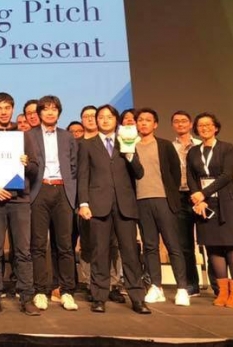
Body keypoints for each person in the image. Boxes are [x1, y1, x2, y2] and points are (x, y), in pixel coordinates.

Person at [77, 104, 150, 314]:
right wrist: (84, 203)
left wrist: (130, 154)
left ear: (116, 120)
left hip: (125, 204)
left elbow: (139, 173)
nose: (105, 120)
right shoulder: (87, 144)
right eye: (101, 117)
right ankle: (99, 296)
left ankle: (137, 298)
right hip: (98, 205)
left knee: (130, 253)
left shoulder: (126, 142)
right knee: (99, 252)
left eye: (109, 117)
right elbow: (83, 175)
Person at [0, 93, 39, 316]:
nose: (4, 112)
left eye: (7, 107)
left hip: (19, 200)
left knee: (23, 251)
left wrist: (27, 163)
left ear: (13, 109)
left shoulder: (23, 136)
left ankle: (27, 298)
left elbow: (35, 168)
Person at [26, 95, 79, 312]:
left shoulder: (67, 136)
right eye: (46, 109)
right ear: (39, 113)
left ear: (59, 112)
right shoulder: (29, 135)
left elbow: (74, 166)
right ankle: (40, 290)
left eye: (54, 109)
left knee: (65, 245)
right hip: (39, 190)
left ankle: (66, 291)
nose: (50, 112)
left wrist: (71, 191)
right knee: (38, 244)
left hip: (62, 191)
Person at [188, 112, 233, 308]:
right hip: (205, 204)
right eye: (200, 125)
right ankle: (223, 291)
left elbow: (226, 175)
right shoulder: (193, 152)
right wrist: (198, 199)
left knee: (231, 246)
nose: (204, 128)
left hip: (227, 202)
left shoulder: (227, 148)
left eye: (208, 125)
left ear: (216, 128)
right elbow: (191, 177)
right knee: (212, 246)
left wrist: (203, 193)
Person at [133, 108, 189, 306]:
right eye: (140, 120)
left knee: (173, 245)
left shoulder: (165, 145)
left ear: (155, 124)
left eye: (148, 120)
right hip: (141, 200)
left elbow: (175, 173)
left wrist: (170, 194)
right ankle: (156, 287)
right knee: (150, 246)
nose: (143, 123)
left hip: (164, 199)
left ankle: (182, 288)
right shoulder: (131, 147)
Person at [171, 110, 202, 296]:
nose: (180, 124)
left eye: (184, 121)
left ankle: (218, 285)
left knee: (210, 241)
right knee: (185, 243)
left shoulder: (200, 145)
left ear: (191, 124)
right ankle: (191, 283)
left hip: (201, 196)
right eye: (176, 121)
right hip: (180, 196)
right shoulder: (170, 147)